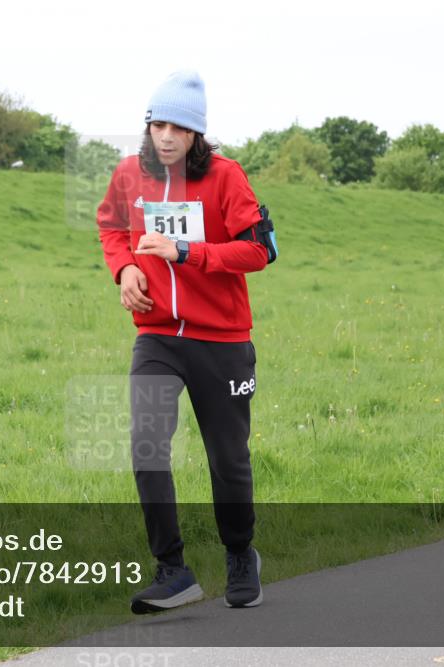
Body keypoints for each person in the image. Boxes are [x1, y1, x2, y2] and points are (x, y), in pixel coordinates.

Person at [97, 70, 278, 614]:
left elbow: (261, 251)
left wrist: (186, 252)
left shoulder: (227, 177)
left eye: (179, 127)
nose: (167, 136)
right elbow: (110, 227)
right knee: (146, 442)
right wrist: (125, 269)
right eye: (158, 124)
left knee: (228, 460)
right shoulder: (130, 174)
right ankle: (172, 570)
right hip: (157, 337)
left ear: (198, 134)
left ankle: (241, 554)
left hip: (221, 340)